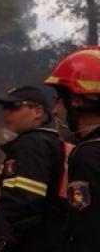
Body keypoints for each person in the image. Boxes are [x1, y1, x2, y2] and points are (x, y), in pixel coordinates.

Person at [0, 86, 68, 252]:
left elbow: (21, 204)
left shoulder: (31, 145)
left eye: (14, 106)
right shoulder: (50, 142)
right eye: (4, 107)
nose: (5, 113)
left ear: (37, 112)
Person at [45, 46, 100, 251]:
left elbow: (87, 232)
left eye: (58, 100)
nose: (54, 111)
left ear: (76, 101)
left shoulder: (88, 155)